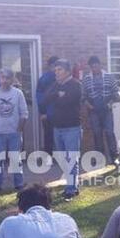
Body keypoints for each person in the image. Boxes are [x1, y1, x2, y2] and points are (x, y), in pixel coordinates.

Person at [43, 59, 82, 200]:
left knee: (71, 159)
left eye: (59, 70)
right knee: (62, 159)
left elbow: (67, 101)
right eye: (55, 70)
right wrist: (57, 94)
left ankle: (71, 189)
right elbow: (45, 98)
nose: (56, 73)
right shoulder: (55, 85)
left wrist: (58, 97)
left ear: (67, 71)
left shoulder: (76, 85)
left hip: (71, 128)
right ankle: (71, 184)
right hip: (57, 128)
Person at [0, 67, 28, 193]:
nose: (4, 80)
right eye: (2, 78)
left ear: (12, 79)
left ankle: (18, 184)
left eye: (7, 78)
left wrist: (19, 129)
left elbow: (24, 113)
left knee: (16, 159)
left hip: (14, 132)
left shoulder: (18, 93)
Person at [82, 55, 120, 165]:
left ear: (100, 65)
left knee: (109, 132)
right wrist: (89, 105)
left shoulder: (109, 77)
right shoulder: (86, 79)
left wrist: (110, 103)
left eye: (96, 66)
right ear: (90, 67)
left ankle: (114, 157)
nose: (95, 69)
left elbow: (116, 93)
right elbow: (83, 96)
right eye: (92, 67)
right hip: (93, 110)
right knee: (97, 133)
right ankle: (100, 158)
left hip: (107, 109)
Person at [36, 56, 59, 155]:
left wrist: (43, 112)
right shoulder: (45, 79)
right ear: (51, 66)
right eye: (56, 65)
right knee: (51, 135)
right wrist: (43, 112)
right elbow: (40, 97)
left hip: (55, 112)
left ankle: (50, 157)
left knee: (50, 135)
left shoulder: (59, 78)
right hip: (50, 113)